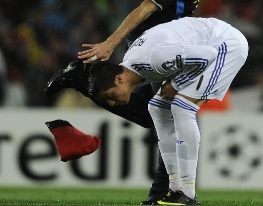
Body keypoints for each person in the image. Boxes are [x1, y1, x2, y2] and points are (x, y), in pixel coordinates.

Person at [45, 0, 232, 204]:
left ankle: (165, 192)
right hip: (164, 42)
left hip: (159, 38)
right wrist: (110, 43)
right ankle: (167, 193)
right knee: (168, 118)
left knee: (156, 116)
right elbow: (147, 7)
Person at [87, 16, 248, 205]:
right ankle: (173, 188)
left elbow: (208, 55)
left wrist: (175, 84)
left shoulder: (154, 60)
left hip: (226, 44)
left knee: (182, 107)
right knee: (156, 108)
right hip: (211, 41)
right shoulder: (133, 65)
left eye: (109, 96)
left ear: (119, 80)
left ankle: (187, 194)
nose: (112, 103)